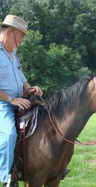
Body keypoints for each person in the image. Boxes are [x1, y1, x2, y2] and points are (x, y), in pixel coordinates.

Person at [0, 15, 43, 186]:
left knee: (45, 120)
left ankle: (51, 165)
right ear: (10, 32)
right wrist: (12, 99)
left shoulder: (13, 54)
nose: (21, 42)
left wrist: (30, 88)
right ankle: (7, 178)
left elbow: (21, 77)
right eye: (20, 37)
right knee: (10, 134)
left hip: (20, 100)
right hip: (3, 104)